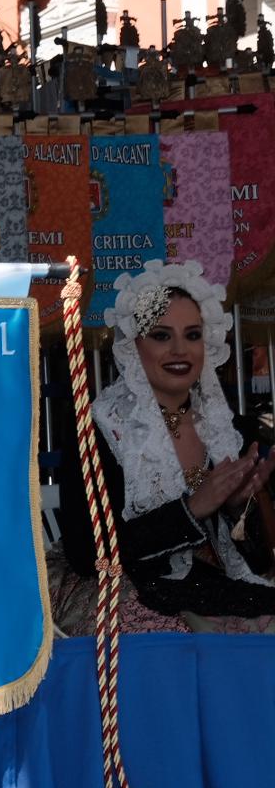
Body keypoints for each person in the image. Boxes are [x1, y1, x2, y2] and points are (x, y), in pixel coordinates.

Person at [54, 260, 275, 634]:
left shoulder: (228, 429)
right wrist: (191, 509)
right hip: (118, 587)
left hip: (206, 585)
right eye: (161, 335)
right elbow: (85, 552)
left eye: (192, 335)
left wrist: (241, 507)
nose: (179, 350)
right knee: (166, 631)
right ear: (133, 344)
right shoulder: (99, 428)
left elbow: (257, 559)